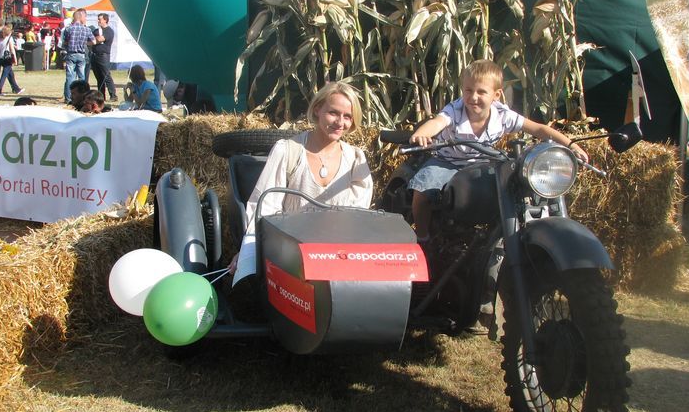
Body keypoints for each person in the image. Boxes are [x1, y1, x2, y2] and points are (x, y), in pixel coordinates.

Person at [407, 59, 588, 244]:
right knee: (422, 190)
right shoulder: (455, 109)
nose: (473, 97)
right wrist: (421, 134)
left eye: (481, 91)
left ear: (496, 94)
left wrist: (571, 144)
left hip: (483, 164)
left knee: (517, 187)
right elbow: (437, 122)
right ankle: (422, 238)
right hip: (448, 161)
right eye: (468, 90)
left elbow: (538, 129)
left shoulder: (502, 115)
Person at [229, 81, 374, 284]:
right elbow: (264, 207)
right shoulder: (288, 151)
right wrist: (249, 252)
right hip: (289, 255)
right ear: (317, 110)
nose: (340, 122)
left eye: (347, 116)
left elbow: (359, 217)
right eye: (333, 112)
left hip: (335, 259)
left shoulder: (356, 159)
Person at [61, 9, 95, 103]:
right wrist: (85, 43)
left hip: (71, 54)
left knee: (70, 77)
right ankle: (83, 97)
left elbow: (65, 42)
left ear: (74, 18)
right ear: (81, 18)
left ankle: (68, 98)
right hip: (81, 55)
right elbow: (94, 41)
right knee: (82, 78)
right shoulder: (86, 29)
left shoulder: (68, 29)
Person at [90, 13, 117, 102]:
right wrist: (94, 40)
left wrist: (95, 40)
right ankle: (101, 96)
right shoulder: (96, 31)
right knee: (99, 78)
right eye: (98, 19)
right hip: (94, 55)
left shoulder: (109, 31)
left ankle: (113, 95)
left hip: (103, 56)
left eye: (100, 19)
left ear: (105, 20)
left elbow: (100, 39)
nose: (98, 21)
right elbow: (90, 40)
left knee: (106, 76)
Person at [0, 25, 25, 96]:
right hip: (7, 58)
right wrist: (15, 60)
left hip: (0, 57)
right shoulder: (9, 38)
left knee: (11, 74)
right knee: (4, 75)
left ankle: (16, 88)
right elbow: (12, 49)